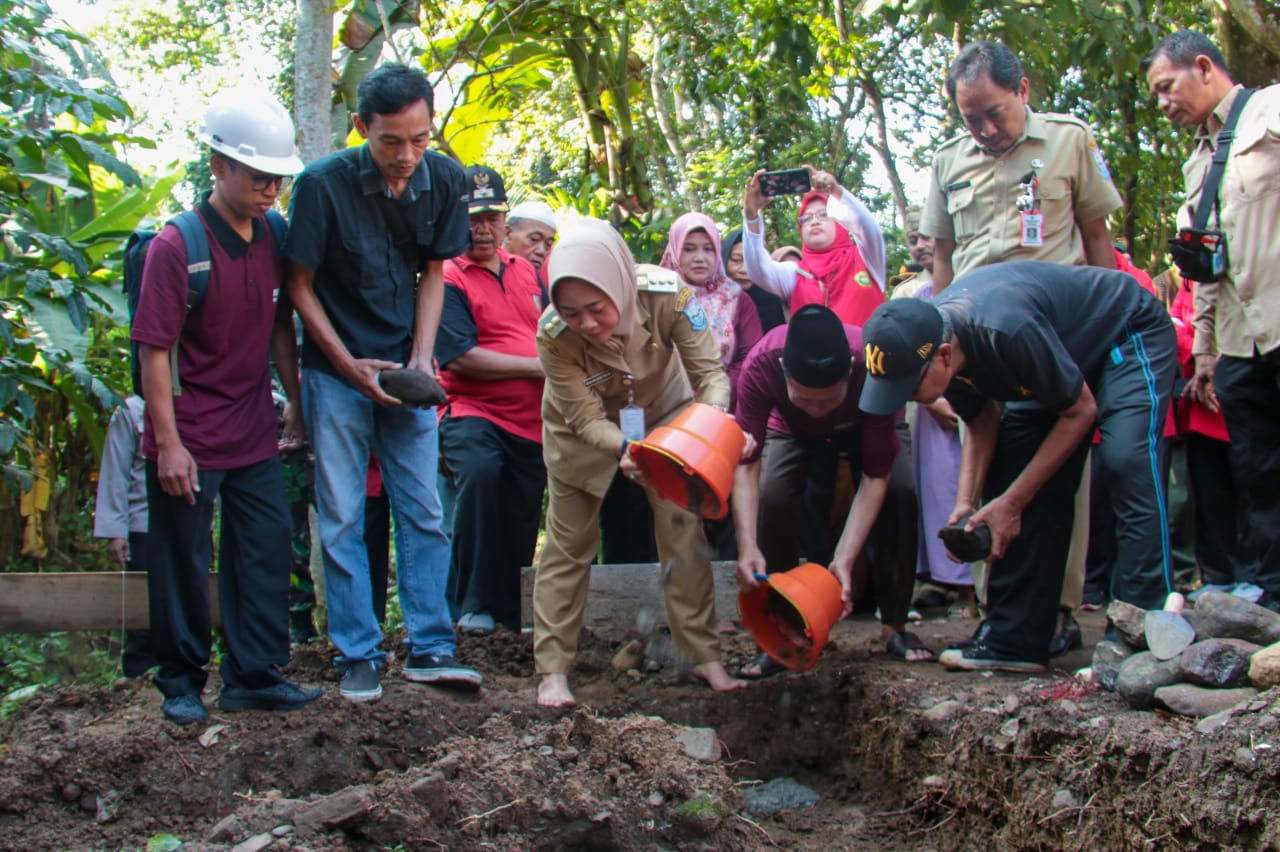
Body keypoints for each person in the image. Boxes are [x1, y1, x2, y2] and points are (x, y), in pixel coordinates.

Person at [859, 261, 1176, 672]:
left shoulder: (1002, 328)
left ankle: (1143, 630)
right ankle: (1016, 637)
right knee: (1014, 471)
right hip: (1050, 361)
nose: (907, 398)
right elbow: (980, 421)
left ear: (943, 356)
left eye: (909, 387)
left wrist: (1012, 502)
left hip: (1126, 333)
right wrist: (966, 503)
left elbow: (1080, 411)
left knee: (1126, 462)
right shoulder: (938, 341)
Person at [921, 40, 1125, 654]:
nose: (983, 130)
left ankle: (1058, 609)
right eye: (969, 118)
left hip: (1051, 335)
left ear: (1024, 91)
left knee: (1060, 476)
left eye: (993, 114)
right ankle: (996, 609)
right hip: (971, 347)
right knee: (981, 472)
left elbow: (1098, 246)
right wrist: (936, 352)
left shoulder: (1069, 141)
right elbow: (943, 262)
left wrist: (1103, 340)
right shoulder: (948, 161)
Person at [284, 63, 480, 702]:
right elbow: (299, 286)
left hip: (405, 366)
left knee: (422, 507)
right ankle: (357, 652)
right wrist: (345, 366)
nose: (406, 156)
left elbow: (433, 273)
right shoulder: (321, 186)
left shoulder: (446, 180)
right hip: (336, 370)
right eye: (391, 140)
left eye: (419, 139)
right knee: (341, 513)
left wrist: (422, 359)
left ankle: (430, 645)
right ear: (361, 127)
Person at [131, 90, 320, 724]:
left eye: (278, 178)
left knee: (264, 546)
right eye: (260, 176)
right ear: (219, 167)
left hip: (251, 429)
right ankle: (182, 680)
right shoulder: (175, 248)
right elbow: (154, 352)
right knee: (183, 556)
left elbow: (278, 326)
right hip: (187, 431)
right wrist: (170, 444)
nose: (271, 189)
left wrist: (294, 402)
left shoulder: (274, 234)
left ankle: (253, 673)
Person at [533, 218, 749, 708]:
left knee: (681, 530)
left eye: (596, 308)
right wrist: (623, 448)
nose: (586, 324)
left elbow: (711, 376)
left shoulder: (668, 295)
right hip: (581, 435)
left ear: (622, 285)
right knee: (569, 546)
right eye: (571, 313)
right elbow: (586, 419)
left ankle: (703, 655)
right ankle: (552, 671)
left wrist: (703, 431)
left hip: (667, 417)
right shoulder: (552, 336)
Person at [1144, 29, 1280, 613]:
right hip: (1240, 343)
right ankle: (1272, 595)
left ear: (1204, 67)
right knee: (1259, 472)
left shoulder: (1271, 110)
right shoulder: (1197, 164)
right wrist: (1205, 351)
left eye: (1167, 87)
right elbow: (1205, 268)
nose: (1163, 103)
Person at [732, 305, 921, 675]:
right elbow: (747, 461)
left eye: (827, 399)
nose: (817, 410)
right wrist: (747, 545)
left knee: (901, 491)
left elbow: (875, 476)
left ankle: (895, 625)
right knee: (773, 495)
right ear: (784, 369)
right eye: (805, 398)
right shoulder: (762, 364)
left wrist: (844, 558)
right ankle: (782, 631)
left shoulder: (872, 367)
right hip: (789, 428)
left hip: (866, 420)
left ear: (849, 372)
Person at [438, 165, 546, 635]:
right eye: (471, 218)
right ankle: (469, 605)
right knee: (480, 479)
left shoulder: (527, 272)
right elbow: (460, 357)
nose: (482, 228)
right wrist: (538, 367)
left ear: (505, 222)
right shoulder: (446, 273)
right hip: (471, 411)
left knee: (524, 505)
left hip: (532, 420)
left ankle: (509, 610)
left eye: (491, 217)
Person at [892, 210, 975, 617]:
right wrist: (930, 400)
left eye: (929, 236)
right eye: (913, 239)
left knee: (971, 487)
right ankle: (943, 580)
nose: (922, 245)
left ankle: (973, 589)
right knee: (936, 491)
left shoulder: (973, 285)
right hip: (930, 409)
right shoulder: (911, 297)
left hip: (972, 405)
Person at [742, 167, 887, 327]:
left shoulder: (867, 259)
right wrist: (751, 214)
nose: (815, 221)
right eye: (806, 218)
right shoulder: (796, 274)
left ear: (839, 222)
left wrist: (835, 191)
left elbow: (867, 226)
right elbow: (758, 270)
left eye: (823, 214)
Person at [658, 213, 762, 398]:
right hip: (664, 405)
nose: (700, 258)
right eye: (689, 249)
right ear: (674, 252)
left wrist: (715, 394)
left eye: (708, 249)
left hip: (722, 406)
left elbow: (749, 358)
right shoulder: (657, 296)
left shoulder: (736, 298)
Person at [93, 393, 158, 676]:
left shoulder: (198, 402)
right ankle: (139, 674)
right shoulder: (130, 411)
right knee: (141, 608)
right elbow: (115, 471)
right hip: (142, 526)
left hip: (188, 525)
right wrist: (116, 532)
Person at [722, 227, 785, 332]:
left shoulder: (772, 301)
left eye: (752, 262)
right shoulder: (710, 300)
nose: (745, 270)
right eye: (736, 260)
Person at [503, 199, 557, 282]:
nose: (541, 251)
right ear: (508, 234)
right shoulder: (483, 274)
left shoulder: (543, 285)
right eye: (534, 239)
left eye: (548, 244)